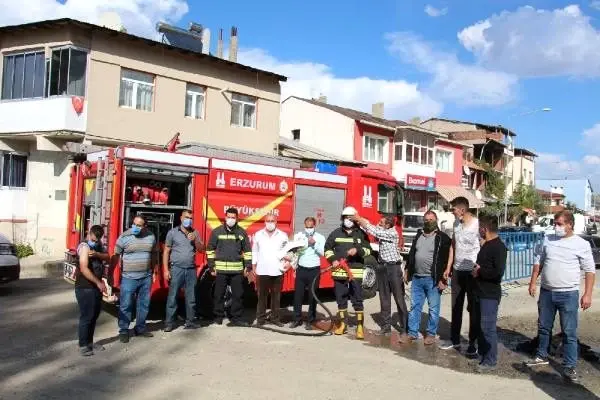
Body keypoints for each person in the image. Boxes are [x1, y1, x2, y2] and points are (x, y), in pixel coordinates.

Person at [524, 210, 595, 383]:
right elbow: (538, 262)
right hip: (547, 292)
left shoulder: (581, 244)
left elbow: (590, 270)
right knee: (543, 326)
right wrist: (533, 282)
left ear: (570, 224)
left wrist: (587, 294)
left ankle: (569, 366)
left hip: (569, 294)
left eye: (559, 224)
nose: (556, 227)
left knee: (569, 332)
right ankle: (541, 355)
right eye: (555, 223)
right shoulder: (548, 240)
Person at [352, 214, 409, 341]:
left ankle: (405, 329)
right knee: (384, 298)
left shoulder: (391, 233)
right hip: (382, 267)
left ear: (388, 225)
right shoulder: (383, 231)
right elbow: (370, 229)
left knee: (399, 298)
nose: (379, 223)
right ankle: (386, 326)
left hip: (393, 269)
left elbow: (374, 231)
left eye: (382, 222)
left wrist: (359, 219)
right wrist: (360, 219)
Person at [405, 211, 453, 345]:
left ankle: (431, 334)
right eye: (426, 219)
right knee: (414, 306)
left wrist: (445, 277)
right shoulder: (418, 235)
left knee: (433, 308)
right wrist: (407, 269)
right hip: (417, 278)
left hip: (433, 279)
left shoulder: (442, 238)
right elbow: (412, 253)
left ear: (436, 220)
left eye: (431, 219)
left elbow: (449, 258)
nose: (428, 222)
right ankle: (412, 333)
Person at [324, 206, 372, 340]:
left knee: (357, 299)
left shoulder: (361, 234)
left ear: (355, 220)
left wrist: (358, 251)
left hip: (355, 272)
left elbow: (368, 250)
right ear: (342, 219)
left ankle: (360, 327)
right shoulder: (335, 233)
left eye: (350, 218)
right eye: (345, 218)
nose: (348, 220)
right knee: (341, 299)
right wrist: (332, 259)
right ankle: (343, 325)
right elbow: (327, 248)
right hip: (339, 271)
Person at [441, 197, 480, 355]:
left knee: (472, 308)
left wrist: (479, 268)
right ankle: (455, 339)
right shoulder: (456, 223)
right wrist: (448, 267)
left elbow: (483, 244)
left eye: (453, 209)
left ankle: (473, 343)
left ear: (462, 210)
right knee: (456, 306)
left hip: (472, 272)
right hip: (457, 271)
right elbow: (453, 245)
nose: (452, 212)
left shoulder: (477, 225)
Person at [114, 215, 158, 343]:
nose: (135, 227)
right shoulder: (124, 237)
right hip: (129, 278)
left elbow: (154, 253)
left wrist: (154, 270)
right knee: (126, 304)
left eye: (139, 225)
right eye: (134, 224)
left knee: (143, 304)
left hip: (146, 277)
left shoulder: (151, 236)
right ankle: (123, 330)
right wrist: (112, 273)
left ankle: (140, 328)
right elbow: (116, 255)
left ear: (145, 226)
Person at [206, 207, 252, 327]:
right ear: (225, 217)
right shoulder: (217, 232)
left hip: (237, 270)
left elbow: (247, 250)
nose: (230, 219)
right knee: (219, 294)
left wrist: (248, 266)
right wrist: (211, 266)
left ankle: (236, 317)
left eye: (233, 217)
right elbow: (210, 249)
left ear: (237, 219)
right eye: (229, 217)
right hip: (221, 269)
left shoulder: (241, 232)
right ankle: (218, 316)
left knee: (238, 294)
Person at [472, 215, 507, 373]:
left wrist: (479, 271)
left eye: (480, 228)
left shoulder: (498, 247)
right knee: (480, 326)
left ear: (484, 229)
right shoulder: (486, 244)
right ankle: (483, 355)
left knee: (488, 328)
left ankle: (491, 360)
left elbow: (497, 272)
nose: (479, 231)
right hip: (479, 292)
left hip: (490, 294)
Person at [163, 209, 205, 332]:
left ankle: (190, 322)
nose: (189, 220)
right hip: (176, 268)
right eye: (186, 217)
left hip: (191, 269)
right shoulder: (172, 233)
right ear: (181, 218)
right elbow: (166, 251)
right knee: (173, 296)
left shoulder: (195, 233)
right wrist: (166, 270)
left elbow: (202, 249)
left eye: (191, 218)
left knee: (191, 297)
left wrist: (195, 240)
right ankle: (169, 323)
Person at [75, 225, 110, 356]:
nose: (94, 242)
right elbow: (84, 268)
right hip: (85, 287)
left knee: (94, 315)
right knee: (87, 316)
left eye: (97, 240)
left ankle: (89, 342)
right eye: (93, 239)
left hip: (94, 287)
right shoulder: (84, 247)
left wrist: (97, 254)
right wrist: (98, 282)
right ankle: (83, 345)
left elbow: (108, 257)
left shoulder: (98, 246)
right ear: (88, 234)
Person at [252, 214, 289, 327]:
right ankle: (261, 319)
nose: (270, 223)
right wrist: (254, 265)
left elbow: (288, 252)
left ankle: (275, 318)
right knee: (261, 296)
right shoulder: (258, 235)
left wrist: (287, 264)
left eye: (272, 221)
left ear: (276, 222)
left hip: (277, 270)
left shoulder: (283, 235)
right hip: (262, 270)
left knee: (276, 297)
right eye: (268, 221)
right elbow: (255, 251)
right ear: (264, 222)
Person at [290, 217, 325, 330]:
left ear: (314, 226)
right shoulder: (299, 236)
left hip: (314, 269)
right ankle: (297, 319)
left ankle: (310, 320)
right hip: (301, 269)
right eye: (306, 226)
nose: (308, 228)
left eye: (310, 226)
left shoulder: (320, 237)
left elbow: (323, 252)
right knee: (298, 296)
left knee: (312, 296)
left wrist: (314, 244)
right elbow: (293, 249)